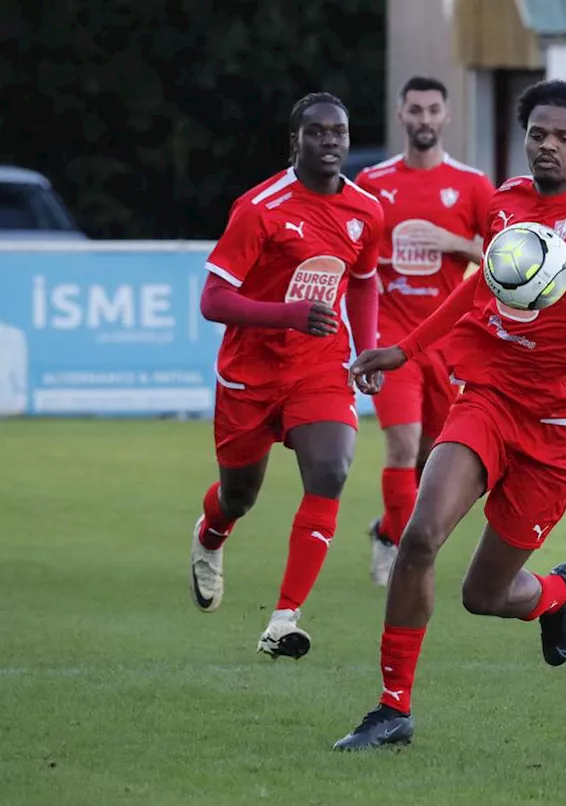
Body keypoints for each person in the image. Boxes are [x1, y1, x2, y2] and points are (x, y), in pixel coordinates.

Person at [333, 79, 566, 750]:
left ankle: (556, 598)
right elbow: (479, 286)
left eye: (565, 137)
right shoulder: (506, 203)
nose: (549, 146)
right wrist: (405, 349)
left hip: (558, 432)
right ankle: (391, 709)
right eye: (539, 134)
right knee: (420, 537)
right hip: (489, 397)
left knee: (484, 595)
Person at [190, 93, 385, 659]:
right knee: (238, 495)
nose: (331, 142)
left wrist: (367, 349)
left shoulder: (367, 211)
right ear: (295, 141)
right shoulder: (260, 207)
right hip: (250, 373)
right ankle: (210, 536)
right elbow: (213, 299)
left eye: (340, 132)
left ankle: (283, 619)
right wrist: (287, 314)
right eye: (318, 132)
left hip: (320, 365)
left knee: (331, 469)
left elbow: (366, 279)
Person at [355, 76, 495, 586]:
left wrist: (453, 241)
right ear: (401, 116)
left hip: (446, 341)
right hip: (392, 341)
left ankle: (387, 531)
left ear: (447, 116)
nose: (424, 119)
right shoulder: (372, 183)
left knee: (431, 455)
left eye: (433, 110)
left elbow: (499, 258)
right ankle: (404, 554)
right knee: (402, 445)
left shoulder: (474, 185)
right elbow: (356, 259)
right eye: (415, 110)